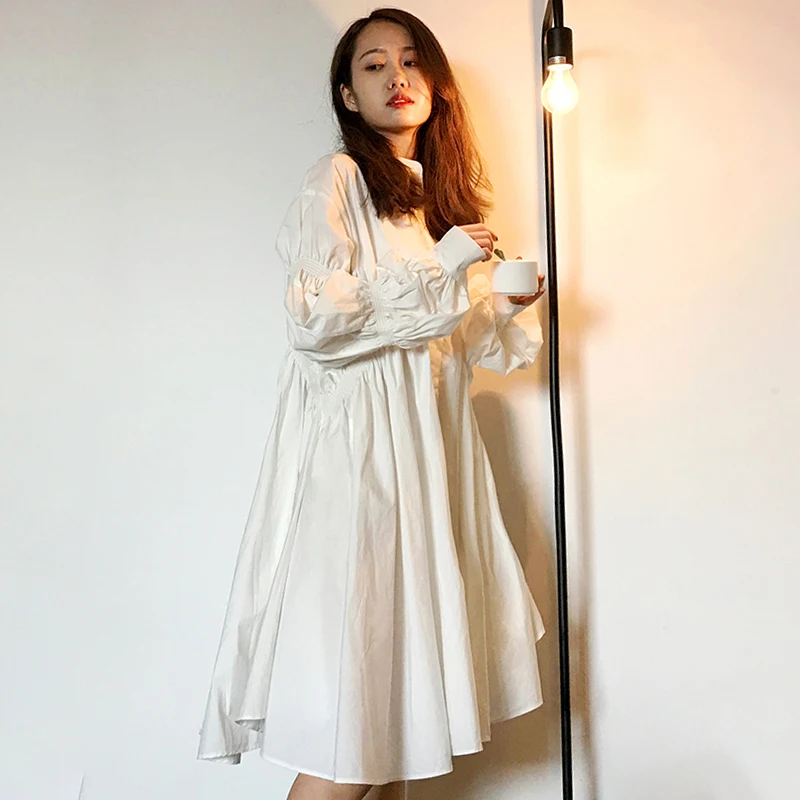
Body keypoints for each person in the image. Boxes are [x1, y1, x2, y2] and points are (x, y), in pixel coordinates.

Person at [196, 8, 547, 800]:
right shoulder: (339, 179)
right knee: (355, 731)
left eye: (412, 61)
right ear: (348, 95)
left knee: (393, 730)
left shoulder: (440, 206)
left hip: (429, 462)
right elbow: (317, 321)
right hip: (362, 469)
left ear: (437, 85)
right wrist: (445, 266)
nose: (396, 77)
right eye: (374, 65)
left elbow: (454, 347)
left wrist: (502, 307)